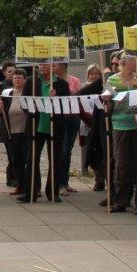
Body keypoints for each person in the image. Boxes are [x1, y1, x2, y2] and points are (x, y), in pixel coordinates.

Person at [18, 62, 69, 203]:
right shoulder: (31, 81)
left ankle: (53, 192)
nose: (42, 67)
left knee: (55, 160)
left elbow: (67, 106)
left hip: (55, 126)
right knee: (32, 159)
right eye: (40, 64)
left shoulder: (61, 84)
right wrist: (33, 110)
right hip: (36, 126)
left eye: (45, 64)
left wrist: (56, 99)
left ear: (52, 66)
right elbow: (24, 103)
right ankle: (31, 192)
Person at [101, 55, 137, 213]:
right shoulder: (113, 80)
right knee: (121, 164)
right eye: (135, 62)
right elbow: (106, 100)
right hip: (120, 124)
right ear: (125, 64)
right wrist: (106, 99)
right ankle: (121, 200)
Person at [0, 68, 28, 197]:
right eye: (15, 78)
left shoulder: (28, 94)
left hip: (25, 132)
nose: (17, 80)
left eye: (20, 78)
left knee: (26, 159)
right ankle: (20, 185)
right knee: (15, 160)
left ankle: (30, 186)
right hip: (11, 132)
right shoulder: (7, 94)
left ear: (24, 80)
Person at [54, 63, 81, 195]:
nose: (53, 66)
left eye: (56, 64)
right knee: (62, 150)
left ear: (63, 66)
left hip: (73, 116)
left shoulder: (74, 80)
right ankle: (59, 183)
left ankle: (65, 182)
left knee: (68, 150)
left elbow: (80, 95)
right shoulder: (54, 81)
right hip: (60, 117)